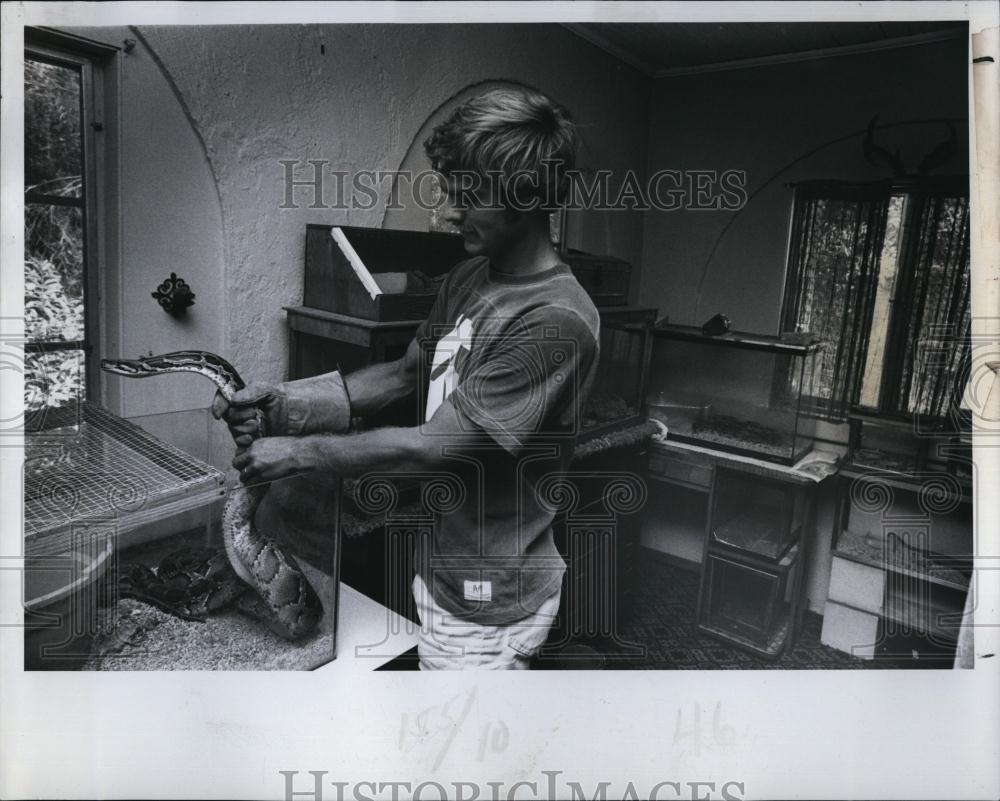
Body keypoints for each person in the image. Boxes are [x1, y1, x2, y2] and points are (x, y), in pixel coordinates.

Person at [213, 86, 600, 669]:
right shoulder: (471, 277)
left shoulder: (554, 322)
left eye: (468, 197)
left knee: (459, 750)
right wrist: (285, 403)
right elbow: (403, 374)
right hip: (444, 562)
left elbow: (435, 449)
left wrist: (297, 452)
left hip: (489, 595)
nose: (447, 212)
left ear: (524, 197)